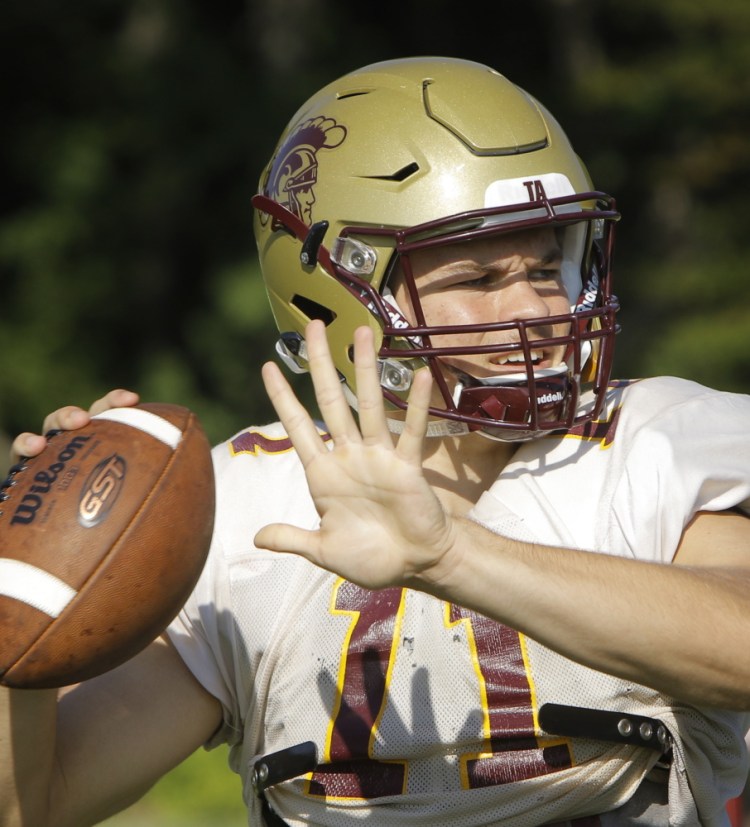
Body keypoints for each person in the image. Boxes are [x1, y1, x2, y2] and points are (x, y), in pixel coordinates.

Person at [2, 56, 749, 827]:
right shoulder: (246, 508)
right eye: (478, 277)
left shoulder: (646, 439)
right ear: (342, 289)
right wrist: (25, 596)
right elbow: (39, 802)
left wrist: (456, 556)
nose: (537, 308)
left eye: (545, 264)